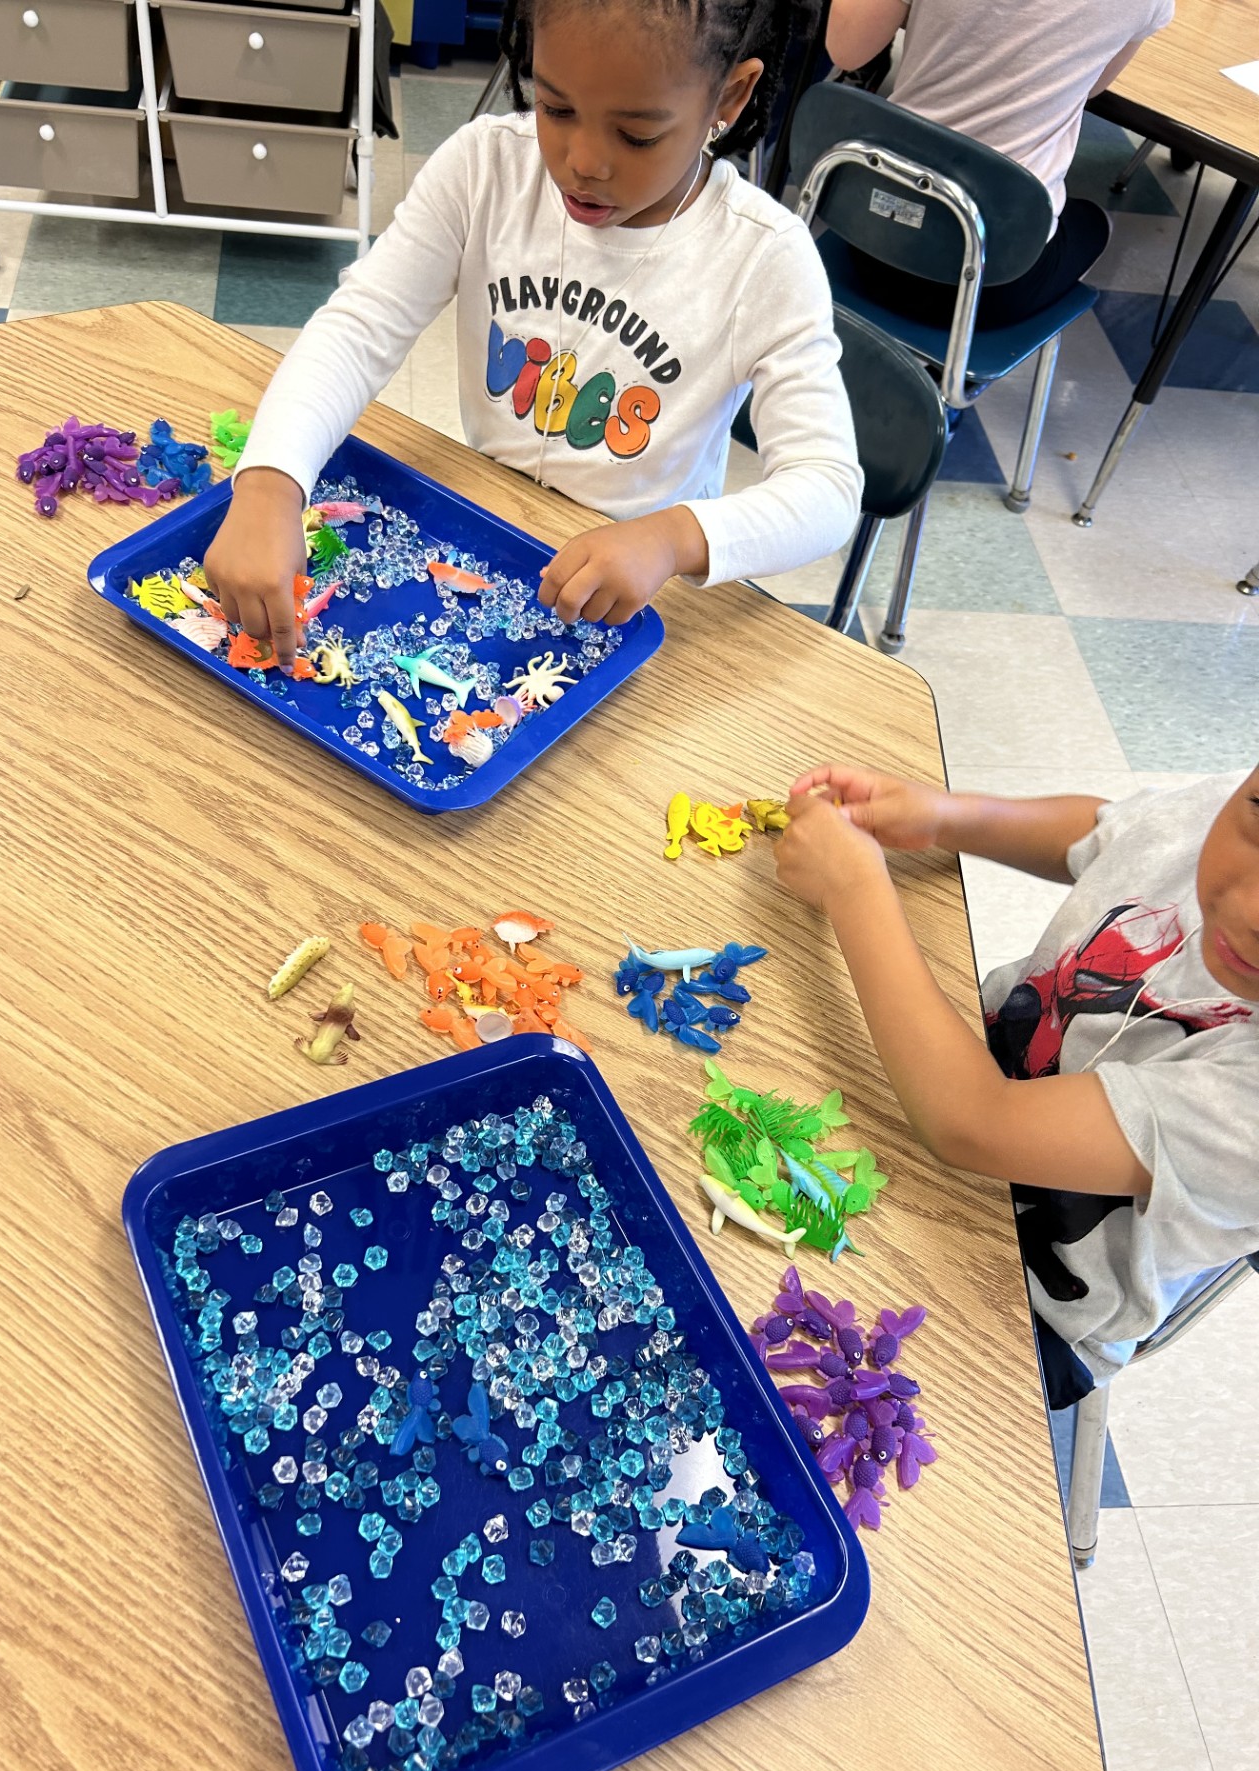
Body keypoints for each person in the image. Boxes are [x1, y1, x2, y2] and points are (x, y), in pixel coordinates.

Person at [204, 0, 862, 665]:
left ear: (731, 95)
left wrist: (671, 538)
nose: (584, 161)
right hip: (488, 529)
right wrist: (269, 484)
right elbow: (358, 328)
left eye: (636, 135)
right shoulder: (485, 168)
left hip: (637, 596)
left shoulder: (764, 259)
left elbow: (828, 489)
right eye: (556, 108)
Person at [771, 763, 1259, 1405]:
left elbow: (972, 1123)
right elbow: (1115, 831)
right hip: (947, 1078)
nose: (1249, 910)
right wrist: (946, 816)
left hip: (1025, 1313)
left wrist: (854, 889)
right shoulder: (1223, 803)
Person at [824, 0, 1174, 326]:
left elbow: (847, 49)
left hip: (873, 234)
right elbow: (1094, 84)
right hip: (998, 284)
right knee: (1096, 223)